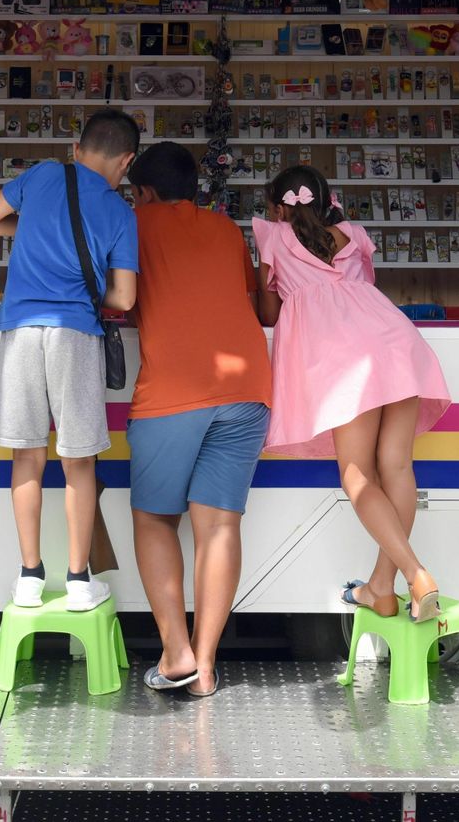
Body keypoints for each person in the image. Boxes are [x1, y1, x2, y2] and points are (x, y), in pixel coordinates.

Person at [253, 165, 451, 622]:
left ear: (278, 208)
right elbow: (365, 288)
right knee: (396, 468)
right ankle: (381, 588)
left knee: (357, 475)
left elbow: (269, 312)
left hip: (344, 360)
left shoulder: (273, 237)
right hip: (395, 343)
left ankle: (417, 575)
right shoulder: (354, 234)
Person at [0, 110, 139, 611]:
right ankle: (79, 581)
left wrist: (31, 232)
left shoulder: (42, 175)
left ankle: (29, 576)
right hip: (75, 335)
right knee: (78, 462)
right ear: (126, 161)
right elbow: (125, 298)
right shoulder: (120, 212)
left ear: (76, 148)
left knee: (27, 455)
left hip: (21, 329)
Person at [127, 143, 273, 699]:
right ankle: (205, 667)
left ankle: (176, 654)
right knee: (219, 527)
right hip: (248, 387)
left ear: (143, 192)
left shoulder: (133, 224)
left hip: (173, 391)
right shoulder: (226, 230)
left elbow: (120, 298)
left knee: (155, 519)